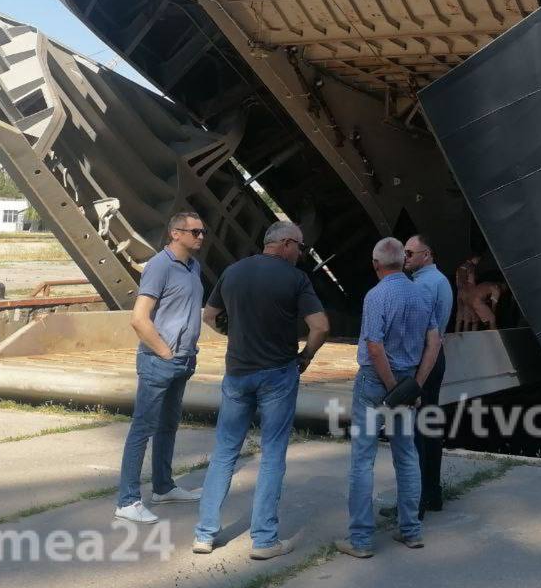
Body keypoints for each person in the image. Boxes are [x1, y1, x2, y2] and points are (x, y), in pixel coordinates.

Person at [193, 221, 329, 560]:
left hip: (237, 373)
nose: (301, 253)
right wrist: (306, 357)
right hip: (277, 376)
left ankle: (205, 534)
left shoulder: (234, 271)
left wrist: (235, 335)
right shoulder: (295, 279)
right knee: (272, 456)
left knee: (225, 453)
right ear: (284, 244)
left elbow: (209, 315)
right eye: (299, 247)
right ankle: (264, 540)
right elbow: (321, 326)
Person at [335, 237, 441, 559]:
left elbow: (374, 347)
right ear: (402, 260)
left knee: (363, 460)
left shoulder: (376, 296)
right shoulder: (422, 294)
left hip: (374, 384)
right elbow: (434, 342)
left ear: (377, 265)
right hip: (407, 381)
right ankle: (411, 531)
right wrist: (413, 387)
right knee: (407, 456)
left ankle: (361, 540)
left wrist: (392, 387)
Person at [114, 211, 207, 524]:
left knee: (169, 425)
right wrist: (165, 353)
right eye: (195, 232)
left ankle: (164, 487)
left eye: (202, 231)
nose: (201, 237)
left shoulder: (194, 267)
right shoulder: (159, 266)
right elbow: (139, 318)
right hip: (160, 361)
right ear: (176, 234)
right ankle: (127, 501)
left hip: (184, 360)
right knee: (143, 428)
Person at [403, 234, 453, 517]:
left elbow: (416, 328)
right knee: (429, 428)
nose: (405, 257)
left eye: (410, 253)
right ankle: (432, 494)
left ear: (427, 254)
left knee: (416, 433)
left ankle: (415, 500)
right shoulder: (441, 281)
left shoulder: (422, 285)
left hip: (422, 359)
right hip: (437, 358)